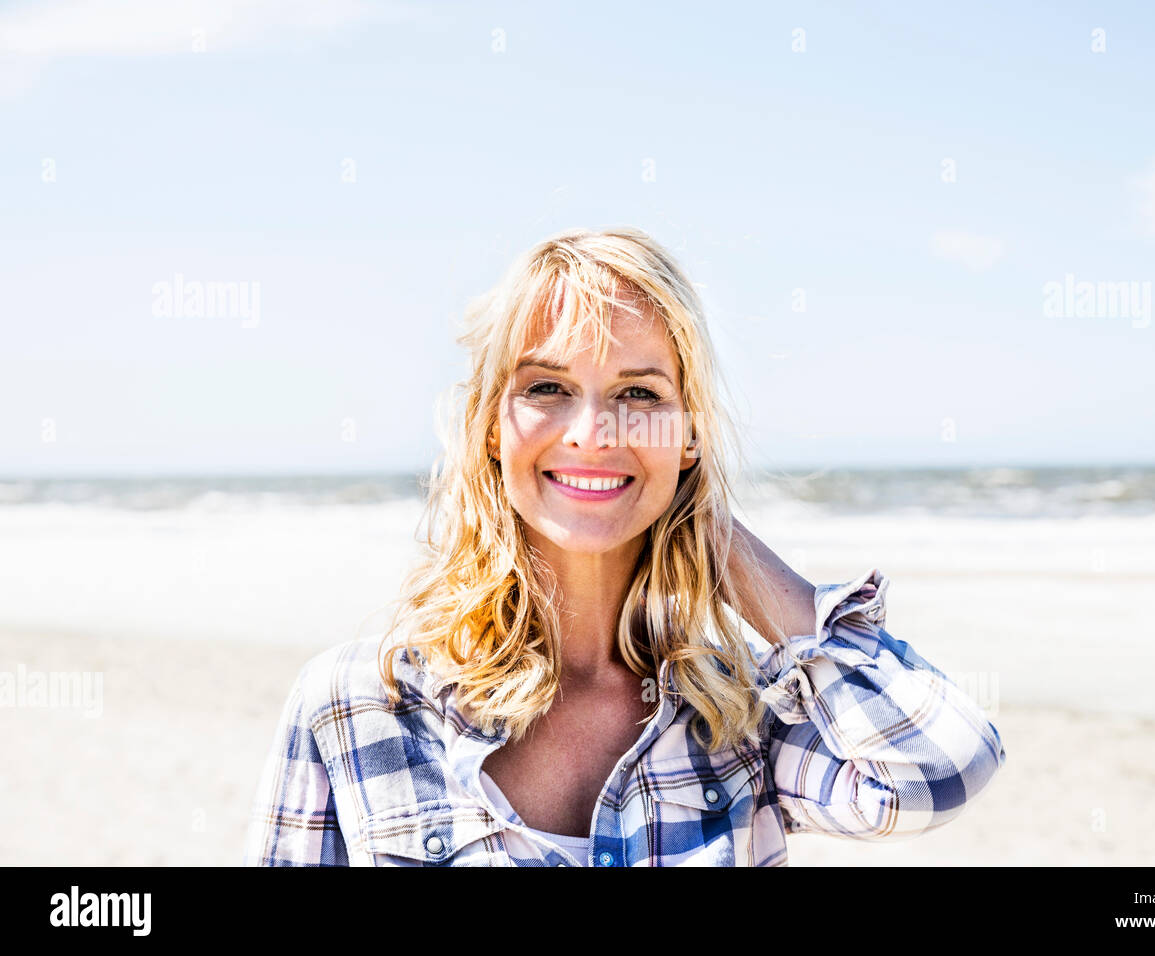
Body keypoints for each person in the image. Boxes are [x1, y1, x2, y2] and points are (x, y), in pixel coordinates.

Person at [242, 226, 1006, 867]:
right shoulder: (356, 705)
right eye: (545, 388)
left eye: (640, 394)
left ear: (690, 436)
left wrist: (710, 526)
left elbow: (944, 765)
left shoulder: (741, 721)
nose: (593, 434)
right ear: (488, 426)